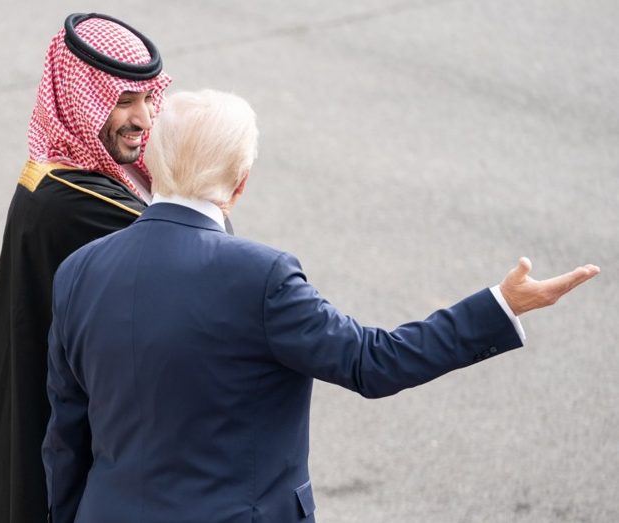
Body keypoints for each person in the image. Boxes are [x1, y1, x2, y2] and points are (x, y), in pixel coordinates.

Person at [42, 90, 600, 523]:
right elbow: (373, 362)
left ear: (153, 164)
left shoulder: (79, 271)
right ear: (240, 183)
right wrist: (502, 304)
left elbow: (64, 436)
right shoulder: (260, 277)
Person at [0, 13, 172, 523]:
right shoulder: (75, 201)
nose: (144, 119)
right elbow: (199, 245)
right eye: (123, 101)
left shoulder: (66, 172)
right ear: (81, 102)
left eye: (148, 98)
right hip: (60, 437)